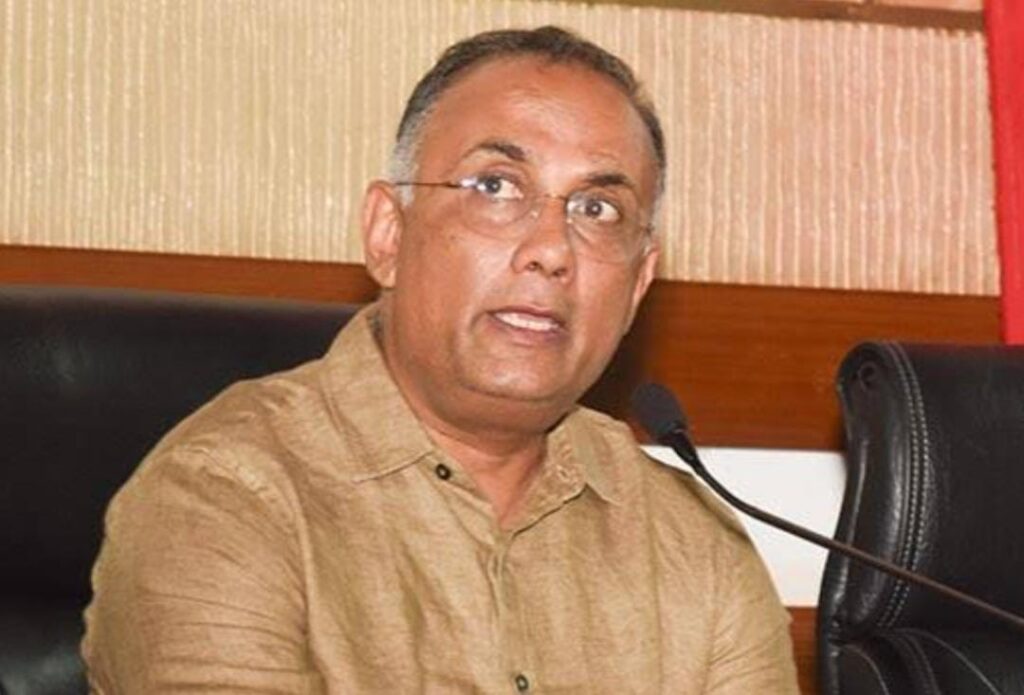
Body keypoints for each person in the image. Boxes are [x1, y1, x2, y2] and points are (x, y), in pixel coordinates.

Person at [83, 26, 798, 693]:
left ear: (638, 284)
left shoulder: (696, 543)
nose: (551, 250)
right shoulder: (225, 496)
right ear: (388, 235)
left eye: (597, 209)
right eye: (495, 187)